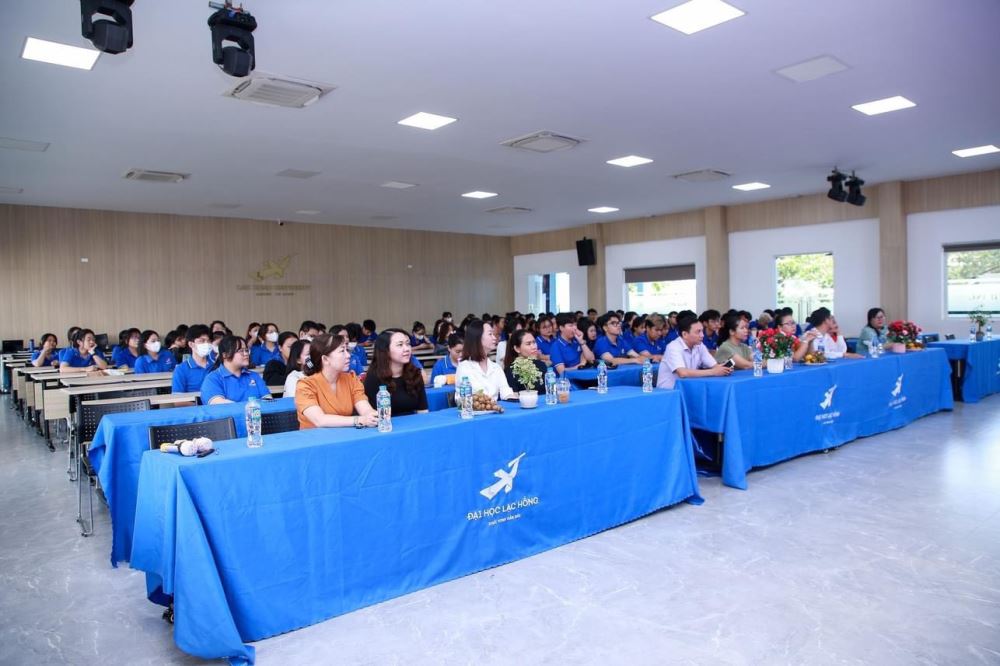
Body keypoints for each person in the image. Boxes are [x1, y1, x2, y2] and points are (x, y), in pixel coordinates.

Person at [295, 333, 378, 429]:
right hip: (314, 437)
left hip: (344, 435)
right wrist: (359, 420)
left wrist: (372, 415)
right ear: (325, 359)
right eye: (342, 351)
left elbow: (364, 408)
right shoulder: (305, 386)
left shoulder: (351, 379)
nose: (348, 355)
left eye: (347, 350)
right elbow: (320, 420)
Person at [657, 314, 733, 389]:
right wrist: (714, 372)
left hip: (688, 388)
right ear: (685, 334)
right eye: (698, 332)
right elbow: (682, 373)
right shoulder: (673, 347)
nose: (702, 335)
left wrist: (724, 369)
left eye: (702, 331)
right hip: (670, 391)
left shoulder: (700, 345)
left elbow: (714, 365)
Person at [363, 329, 428, 416]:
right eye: (400, 345)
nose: (407, 349)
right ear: (385, 350)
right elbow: (372, 415)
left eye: (408, 344)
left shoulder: (415, 373)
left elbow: (423, 410)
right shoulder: (373, 378)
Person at [454, 318, 516, 400]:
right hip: (474, 407)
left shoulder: (496, 367)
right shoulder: (464, 367)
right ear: (478, 337)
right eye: (490, 334)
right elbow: (463, 398)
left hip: (494, 407)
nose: (494, 338)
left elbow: (506, 392)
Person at [200, 335, 271, 405]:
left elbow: (268, 400)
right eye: (241, 351)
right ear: (225, 355)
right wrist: (249, 407)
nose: (246, 354)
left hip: (257, 412)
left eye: (246, 350)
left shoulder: (254, 376)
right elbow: (218, 404)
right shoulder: (212, 379)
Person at [171, 325, 213, 393]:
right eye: (202, 341)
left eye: (208, 341)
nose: (207, 344)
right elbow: (177, 398)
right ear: (191, 344)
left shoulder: (217, 365)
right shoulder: (181, 369)